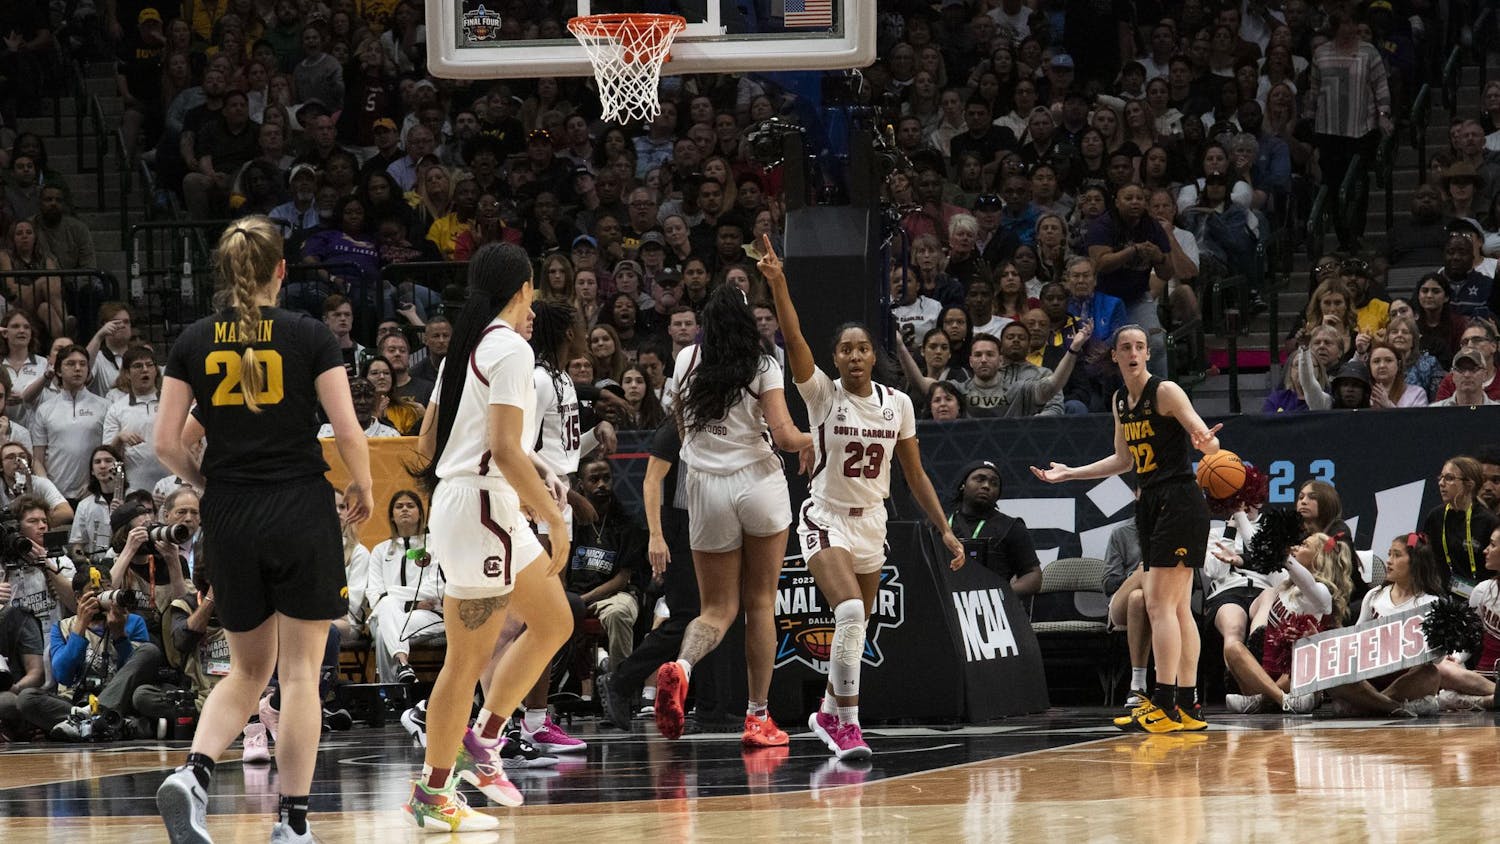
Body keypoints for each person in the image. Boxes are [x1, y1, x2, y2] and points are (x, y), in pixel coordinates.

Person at [153, 216, 373, 844]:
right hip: (300, 507)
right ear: (282, 270)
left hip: (229, 515)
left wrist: (206, 483)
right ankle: (293, 824)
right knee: (300, 674)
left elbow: (166, 442)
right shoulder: (308, 334)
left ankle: (194, 773)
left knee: (247, 671)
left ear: (226, 274)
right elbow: (348, 429)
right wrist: (363, 485)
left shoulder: (194, 340)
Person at [761, 234, 963, 759]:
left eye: (862, 347)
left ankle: (828, 711)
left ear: (874, 355)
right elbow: (795, 337)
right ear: (836, 358)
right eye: (845, 349)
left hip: (872, 520)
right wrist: (779, 283)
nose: (854, 355)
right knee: (849, 611)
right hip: (825, 516)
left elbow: (915, 475)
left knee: (858, 625)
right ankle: (847, 722)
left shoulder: (897, 404)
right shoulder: (822, 395)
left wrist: (943, 526)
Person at [404, 242, 571, 830]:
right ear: (522, 286)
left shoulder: (467, 349)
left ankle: (486, 739)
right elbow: (501, 448)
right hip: (482, 509)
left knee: (554, 621)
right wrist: (553, 517)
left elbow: (426, 447)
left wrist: (527, 471)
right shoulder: (510, 349)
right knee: (465, 658)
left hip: (477, 504)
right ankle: (433, 792)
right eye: (534, 290)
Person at [1032, 325, 1223, 733]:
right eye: (1125, 347)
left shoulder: (1166, 391)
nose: (1133, 352)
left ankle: (1166, 704)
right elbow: (1122, 460)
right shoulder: (1121, 401)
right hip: (1151, 502)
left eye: (1140, 347)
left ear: (1147, 355)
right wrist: (1070, 474)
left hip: (1179, 499)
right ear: (1115, 357)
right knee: (1173, 608)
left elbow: (1206, 440)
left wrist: (1206, 442)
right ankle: (1188, 706)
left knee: (1158, 605)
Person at [652, 278, 812, 745]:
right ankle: (758, 717)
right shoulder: (764, 362)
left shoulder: (685, 359)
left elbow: (681, 424)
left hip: (704, 486)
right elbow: (784, 436)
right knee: (760, 603)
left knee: (717, 608)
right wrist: (814, 439)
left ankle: (680, 668)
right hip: (757, 482)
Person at [1221, 530, 1353, 714]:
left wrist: (1284, 556)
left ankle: (1264, 701)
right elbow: (1256, 543)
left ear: (1318, 559)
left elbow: (1308, 583)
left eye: (1304, 545)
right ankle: (1281, 700)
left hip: (1295, 677)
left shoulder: (1322, 594)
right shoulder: (1284, 583)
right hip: (1264, 677)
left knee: (1299, 658)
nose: (1296, 548)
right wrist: (1238, 510)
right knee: (1232, 649)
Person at [365, 490, 441, 684]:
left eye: (410, 505)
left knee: (385, 629)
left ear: (420, 514)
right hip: (392, 612)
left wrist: (393, 597)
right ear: (392, 515)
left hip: (428, 616)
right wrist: (412, 604)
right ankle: (403, 668)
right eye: (399, 507)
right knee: (387, 611)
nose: (405, 509)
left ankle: (391, 692)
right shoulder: (380, 551)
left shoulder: (434, 545)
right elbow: (374, 593)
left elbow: (433, 590)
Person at [945, 461, 1043, 597]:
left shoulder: (1011, 527)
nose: (986, 486)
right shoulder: (938, 525)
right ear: (963, 484)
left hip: (991, 609)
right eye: (979, 479)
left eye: (994, 483)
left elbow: (1033, 576)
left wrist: (1000, 595)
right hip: (944, 603)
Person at [1424, 456, 1500, 589]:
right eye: (1441, 477)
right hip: (1440, 600)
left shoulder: (1489, 522)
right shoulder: (1435, 517)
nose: (1441, 483)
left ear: (1469, 485)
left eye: (1449, 478)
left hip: (1479, 599)